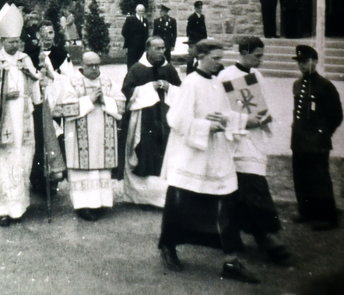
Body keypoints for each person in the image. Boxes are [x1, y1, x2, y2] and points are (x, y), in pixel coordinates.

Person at [158, 39, 259, 283]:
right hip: (192, 155)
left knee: (226, 205)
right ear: (200, 57)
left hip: (216, 155)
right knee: (180, 205)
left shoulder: (217, 82)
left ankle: (231, 261)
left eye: (221, 57)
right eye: (215, 58)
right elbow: (176, 119)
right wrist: (207, 126)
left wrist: (241, 121)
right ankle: (168, 247)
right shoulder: (191, 82)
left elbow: (224, 113)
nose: (219, 63)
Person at [217, 36, 290, 263]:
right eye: (257, 55)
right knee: (252, 189)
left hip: (255, 139)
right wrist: (245, 121)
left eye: (262, 55)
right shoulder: (226, 76)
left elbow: (264, 105)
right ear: (244, 52)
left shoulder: (257, 76)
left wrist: (265, 119)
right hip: (236, 140)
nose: (261, 60)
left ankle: (254, 235)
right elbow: (220, 109)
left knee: (245, 190)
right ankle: (267, 236)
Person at [0, 4, 42, 226]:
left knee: (22, 160)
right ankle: (1, 210)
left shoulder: (25, 59)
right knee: (3, 163)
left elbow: (35, 87)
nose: (15, 45)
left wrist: (38, 83)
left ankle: (19, 206)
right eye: (10, 41)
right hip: (1, 120)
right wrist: (2, 95)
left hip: (24, 117)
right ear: (1, 41)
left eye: (17, 41)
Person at [51, 51, 126, 221]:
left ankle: (101, 204)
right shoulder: (72, 82)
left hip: (102, 136)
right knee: (83, 172)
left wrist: (105, 100)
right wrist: (89, 100)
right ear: (82, 65)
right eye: (90, 65)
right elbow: (63, 109)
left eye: (97, 65)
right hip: (79, 138)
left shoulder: (107, 81)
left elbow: (121, 104)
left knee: (100, 170)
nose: (94, 68)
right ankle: (83, 206)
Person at [121, 36, 181, 208]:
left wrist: (170, 88)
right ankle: (141, 197)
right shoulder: (137, 69)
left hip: (165, 120)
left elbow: (181, 91)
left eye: (163, 48)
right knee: (144, 155)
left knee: (165, 154)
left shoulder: (168, 68)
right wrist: (148, 88)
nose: (161, 51)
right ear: (147, 49)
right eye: (157, 48)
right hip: (143, 120)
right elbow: (126, 92)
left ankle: (163, 198)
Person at [291, 45, 343, 231]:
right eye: (299, 62)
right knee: (301, 176)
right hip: (298, 139)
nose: (302, 66)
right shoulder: (297, 84)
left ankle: (326, 217)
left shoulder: (325, 86)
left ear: (315, 61)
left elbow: (336, 116)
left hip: (317, 140)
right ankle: (306, 211)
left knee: (319, 177)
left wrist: (323, 133)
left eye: (305, 62)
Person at [27, 20, 73, 195]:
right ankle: (37, 179)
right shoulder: (28, 55)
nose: (48, 37)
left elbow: (69, 79)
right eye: (44, 33)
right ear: (38, 35)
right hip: (36, 103)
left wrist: (53, 76)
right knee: (37, 141)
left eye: (51, 32)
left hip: (54, 100)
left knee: (55, 139)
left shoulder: (62, 55)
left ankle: (53, 179)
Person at [121, 4, 149, 69]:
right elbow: (124, 31)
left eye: (142, 11)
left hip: (141, 46)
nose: (140, 12)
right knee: (132, 62)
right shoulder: (130, 20)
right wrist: (131, 41)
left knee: (140, 62)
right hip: (132, 46)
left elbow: (146, 33)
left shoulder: (145, 21)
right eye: (139, 11)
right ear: (136, 11)